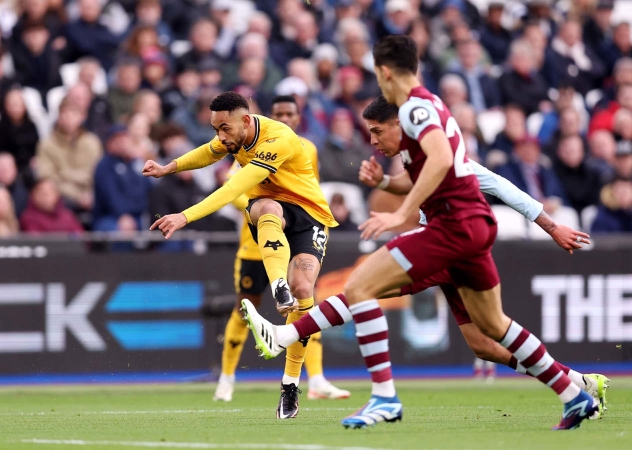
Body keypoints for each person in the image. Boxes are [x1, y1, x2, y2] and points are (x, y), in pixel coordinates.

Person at [240, 36, 599, 430]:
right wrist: (384, 185)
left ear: (385, 71)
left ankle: (381, 396)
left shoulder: (414, 108)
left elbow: (448, 163)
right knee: (492, 330)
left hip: (452, 226)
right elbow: (430, 173)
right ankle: (574, 392)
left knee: (360, 285)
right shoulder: (427, 113)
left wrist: (400, 217)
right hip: (470, 226)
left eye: (377, 132)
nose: (374, 141)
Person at [143, 91, 338, 419]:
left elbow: (232, 189)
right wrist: (168, 168)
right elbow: (208, 152)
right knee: (267, 208)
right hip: (271, 211)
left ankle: (290, 384)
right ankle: (278, 286)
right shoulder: (234, 135)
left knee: (304, 291)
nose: (220, 136)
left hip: (310, 216)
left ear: (245, 121)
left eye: (224, 129)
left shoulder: (279, 139)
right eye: (215, 128)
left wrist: (183, 217)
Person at [213, 95, 348, 404]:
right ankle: (227, 378)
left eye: (290, 113)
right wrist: (258, 203)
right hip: (255, 245)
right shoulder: (248, 145)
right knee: (245, 308)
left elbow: (309, 190)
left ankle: (314, 379)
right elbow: (234, 191)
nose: (285, 117)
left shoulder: (307, 149)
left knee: (304, 300)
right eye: (279, 113)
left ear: (299, 118)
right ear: (267, 116)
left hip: (296, 237)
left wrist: (316, 228)